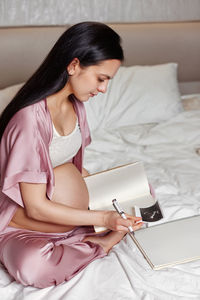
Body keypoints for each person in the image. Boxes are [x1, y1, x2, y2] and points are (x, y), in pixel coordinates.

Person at [0, 22, 143, 288]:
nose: (103, 89)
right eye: (101, 79)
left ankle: (85, 238)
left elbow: (73, 168)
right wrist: (104, 219)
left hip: (72, 222)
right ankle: (100, 244)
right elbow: (35, 207)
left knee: (142, 200)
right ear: (73, 65)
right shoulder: (29, 120)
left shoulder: (76, 105)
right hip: (24, 228)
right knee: (33, 267)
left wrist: (116, 194)